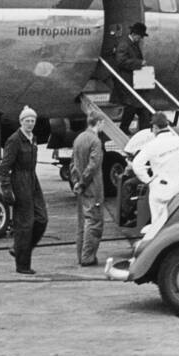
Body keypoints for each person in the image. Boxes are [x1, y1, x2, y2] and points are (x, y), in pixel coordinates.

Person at [0, 105, 48, 274]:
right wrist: (7, 189)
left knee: (42, 218)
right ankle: (22, 265)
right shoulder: (14, 140)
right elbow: (4, 167)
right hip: (19, 181)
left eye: (32, 120)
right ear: (21, 122)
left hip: (32, 179)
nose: (30, 123)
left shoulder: (32, 138)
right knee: (24, 224)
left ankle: (19, 248)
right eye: (27, 120)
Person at [131, 112, 179, 231]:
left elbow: (137, 165)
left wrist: (148, 181)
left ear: (155, 128)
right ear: (167, 125)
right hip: (177, 188)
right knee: (175, 225)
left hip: (159, 188)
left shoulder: (151, 145)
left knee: (157, 226)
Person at [71, 112, 104, 266]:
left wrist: (76, 182)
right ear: (98, 122)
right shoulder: (95, 141)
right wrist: (83, 182)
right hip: (92, 187)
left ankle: (80, 255)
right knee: (94, 221)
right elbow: (93, 165)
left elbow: (73, 164)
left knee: (82, 222)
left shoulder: (78, 139)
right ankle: (88, 257)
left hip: (81, 188)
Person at [113, 22, 153, 135]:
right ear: (135, 34)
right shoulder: (124, 44)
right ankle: (126, 128)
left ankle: (142, 129)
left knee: (139, 105)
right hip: (127, 80)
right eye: (140, 36)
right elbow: (120, 62)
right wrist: (139, 63)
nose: (140, 39)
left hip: (135, 80)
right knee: (133, 105)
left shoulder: (132, 44)